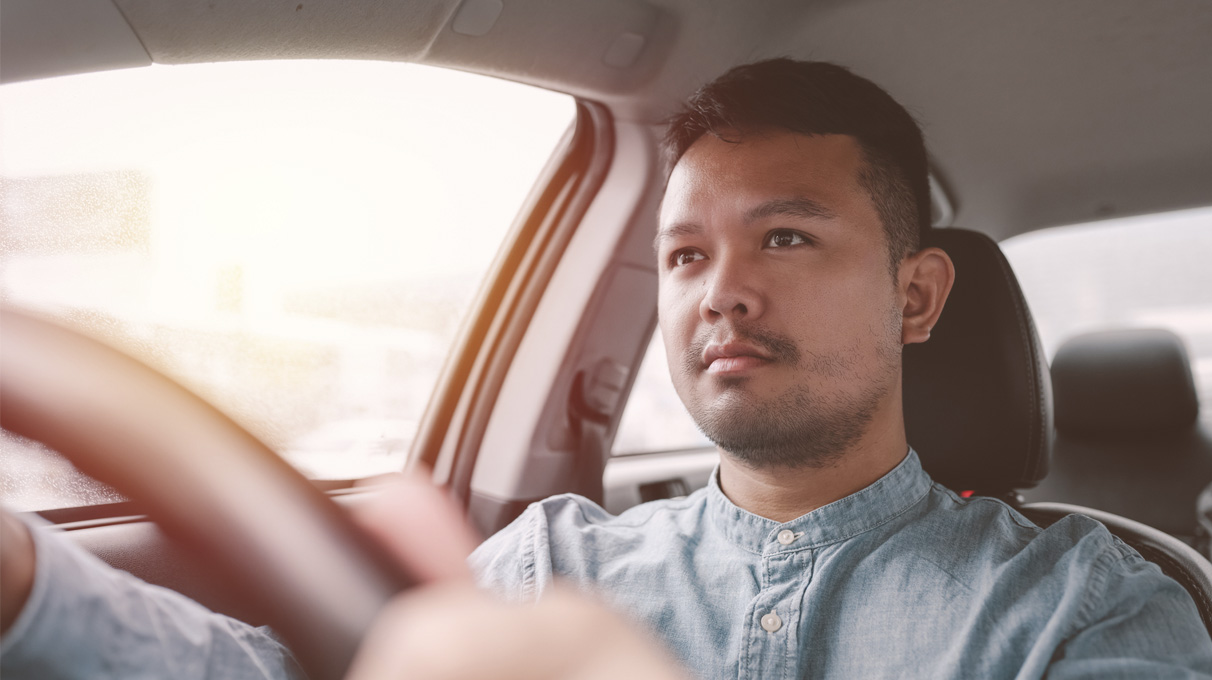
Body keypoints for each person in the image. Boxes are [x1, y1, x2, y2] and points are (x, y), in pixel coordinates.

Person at [2, 58, 1210, 679]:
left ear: (915, 295)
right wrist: (28, 582)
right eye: (685, 253)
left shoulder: (1087, 606)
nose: (720, 289)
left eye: (786, 236)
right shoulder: (551, 561)